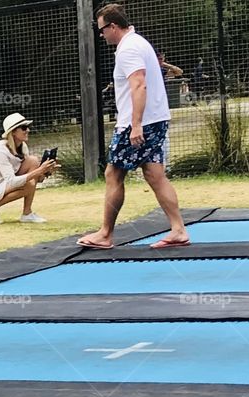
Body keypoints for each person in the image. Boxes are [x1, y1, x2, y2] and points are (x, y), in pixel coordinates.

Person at [78, 4, 189, 250]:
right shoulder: (139, 42)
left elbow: (139, 85)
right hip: (156, 119)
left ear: (113, 26)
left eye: (102, 29)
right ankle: (178, 229)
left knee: (113, 173)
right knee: (154, 174)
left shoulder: (128, 48)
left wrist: (135, 125)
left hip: (138, 123)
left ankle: (105, 234)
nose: (101, 34)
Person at [0, 112, 58, 225]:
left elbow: (36, 178)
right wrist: (39, 170)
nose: (28, 130)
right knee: (29, 184)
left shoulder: (22, 146)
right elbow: (12, 181)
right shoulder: (0, 150)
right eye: (24, 128)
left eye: (28, 127)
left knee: (33, 161)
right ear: (13, 132)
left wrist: (46, 172)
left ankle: (27, 214)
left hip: (2, 183)